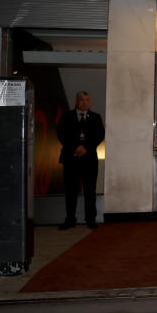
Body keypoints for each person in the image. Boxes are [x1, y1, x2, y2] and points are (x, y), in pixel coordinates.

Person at [56, 91, 105, 230]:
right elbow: (61, 133)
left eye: (87, 99)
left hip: (89, 160)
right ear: (76, 101)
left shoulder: (96, 117)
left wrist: (86, 148)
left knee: (90, 191)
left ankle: (90, 219)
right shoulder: (66, 116)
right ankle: (70, 220)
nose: (85, 102)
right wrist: (75, 147)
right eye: (82, 100)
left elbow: (99, 135)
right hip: (70, 159)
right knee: (70, 192)